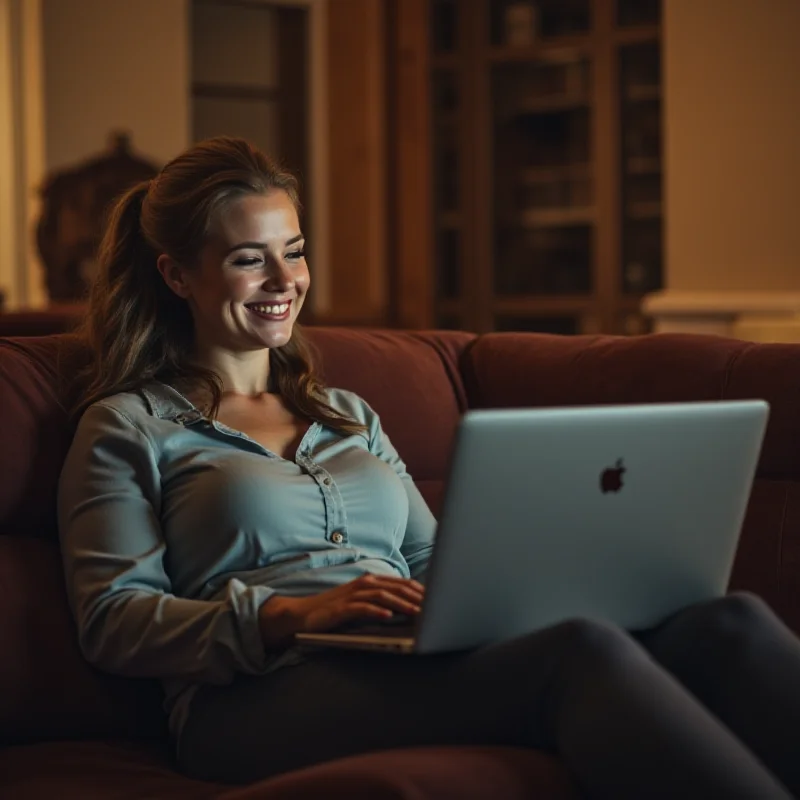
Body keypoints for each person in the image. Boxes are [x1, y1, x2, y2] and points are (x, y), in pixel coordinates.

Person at [58, 136, 800, 798]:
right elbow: (113, 620)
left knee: (725, 623)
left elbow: (429, 557)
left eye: (295, 249)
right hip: (253, 698)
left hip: (401, 655)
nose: (285, 279)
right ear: (178, 276)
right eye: (250, 259)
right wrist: (289, 616)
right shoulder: (129, 424)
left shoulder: (346, 413)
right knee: (577, 654)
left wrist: (526, 589)